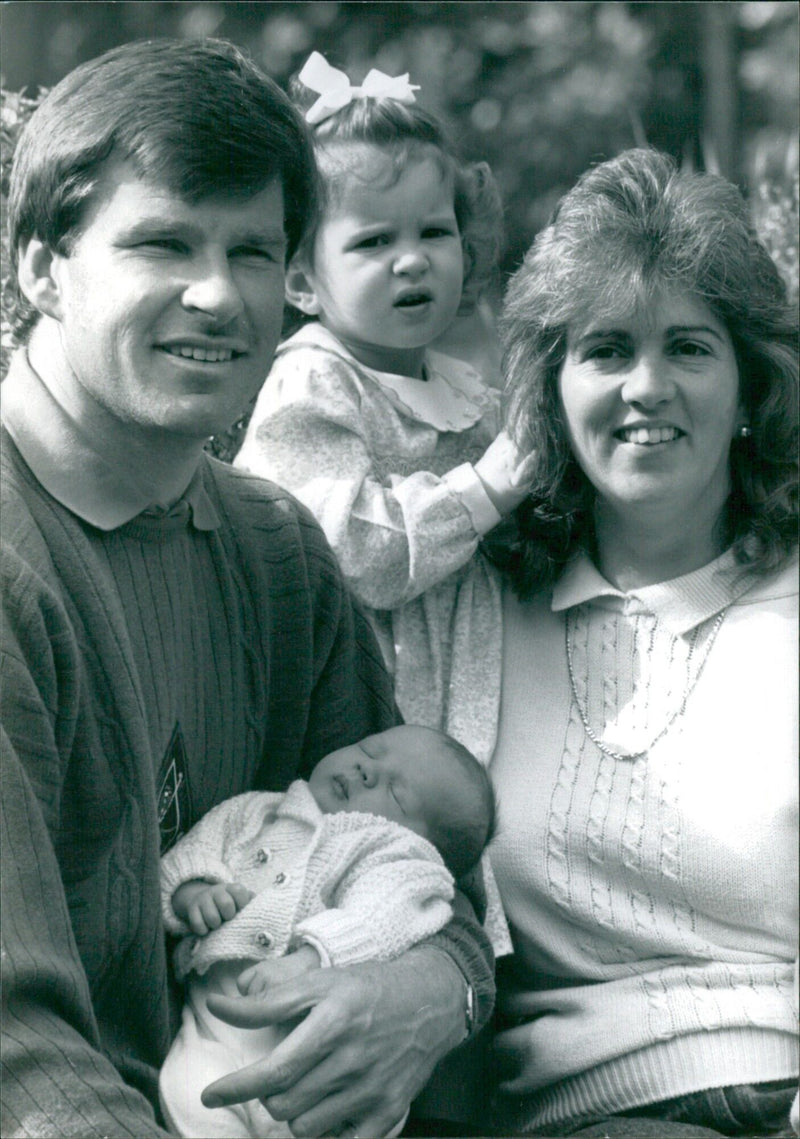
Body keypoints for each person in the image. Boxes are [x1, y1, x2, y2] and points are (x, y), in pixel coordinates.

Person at [0, 39, 496, 1139]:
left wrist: (427, 992)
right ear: (42, 266)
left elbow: (419, 871)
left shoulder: (277, 551)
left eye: (254, 251)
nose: (217, 293)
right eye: (164, 242)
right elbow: (17, 1058)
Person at [464, 147, 798, 1138]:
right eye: (605, 349)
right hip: (575, 1111)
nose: (644, 386)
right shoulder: (477, 612)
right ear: (550, 393)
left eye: (688, 348)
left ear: (750, 389)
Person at [234, 51, 535, 767]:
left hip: (471, 694)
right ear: (303, 279)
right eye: (374, 241)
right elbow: (345, 551)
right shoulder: (311, 381)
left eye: (433, 231)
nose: (412, 260)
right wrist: (488, 487)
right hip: (358, 717)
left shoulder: (463, 389)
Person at [158, 723, 495, 1138]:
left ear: (423, 842)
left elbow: (379, 915)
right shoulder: (257, 810)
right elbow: (197, 848)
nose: (368, 770)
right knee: (192, 1093)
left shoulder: (393, 854)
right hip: (213, 1030)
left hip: (324, 1057)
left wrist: (313, 957)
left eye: (395, 792)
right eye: (368, 749)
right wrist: (192, 893)